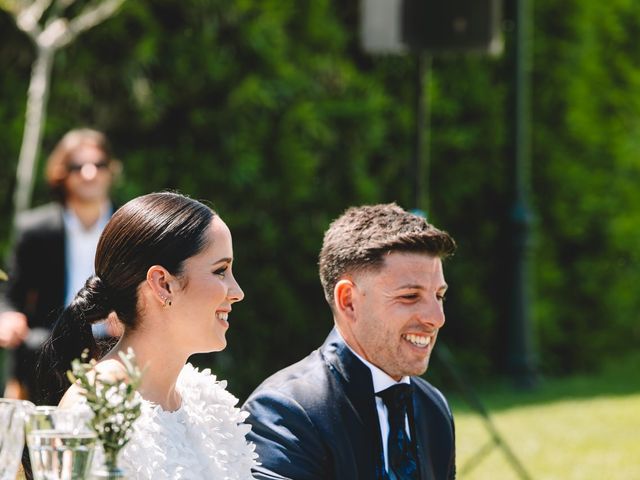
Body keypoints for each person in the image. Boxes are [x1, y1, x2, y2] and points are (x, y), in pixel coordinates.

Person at [39, 191, 257, 478]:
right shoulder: (93, 410)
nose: (237, 292)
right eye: (220, 271)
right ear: (163, 284)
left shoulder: (208, 400)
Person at [243, 203, 457, 480]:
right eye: (410, 296)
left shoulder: (433, 407)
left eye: (438, 296)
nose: (436, 318)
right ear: (349, 301)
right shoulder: (284, 411)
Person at [0, 128, 121, 401]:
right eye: (79, 166)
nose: (90, 173)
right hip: (46, 349)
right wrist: (6, 317)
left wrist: (129, 316)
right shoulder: (35, 229)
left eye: (98, 164)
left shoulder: (129, 226)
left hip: (113, 347)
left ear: (110, 170)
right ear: (62, 173)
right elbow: (11, 296)